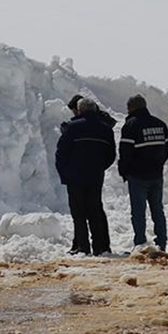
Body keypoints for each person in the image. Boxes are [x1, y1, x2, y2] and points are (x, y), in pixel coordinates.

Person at [55, 97, 116, 255]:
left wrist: (65, 173)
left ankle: (82, 247)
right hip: (95, 176)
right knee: (95, 210)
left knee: (78, 213)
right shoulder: (105, 129)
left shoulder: (72, 128)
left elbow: (61, 153)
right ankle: (100, 247)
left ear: (79, 110)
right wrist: (99, 168)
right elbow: (111, 155)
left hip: (75, 177)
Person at [118, 94, 168, 252]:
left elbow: (125, 153)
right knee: (158, 210)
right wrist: (158, 165)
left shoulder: (131, 126)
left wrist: (124, 171)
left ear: (131, 108)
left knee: (138, 212)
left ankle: (140, 244)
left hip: (138, 176)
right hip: (156, 175)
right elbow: (166, 150)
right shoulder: (160, 124)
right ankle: (161, 243)